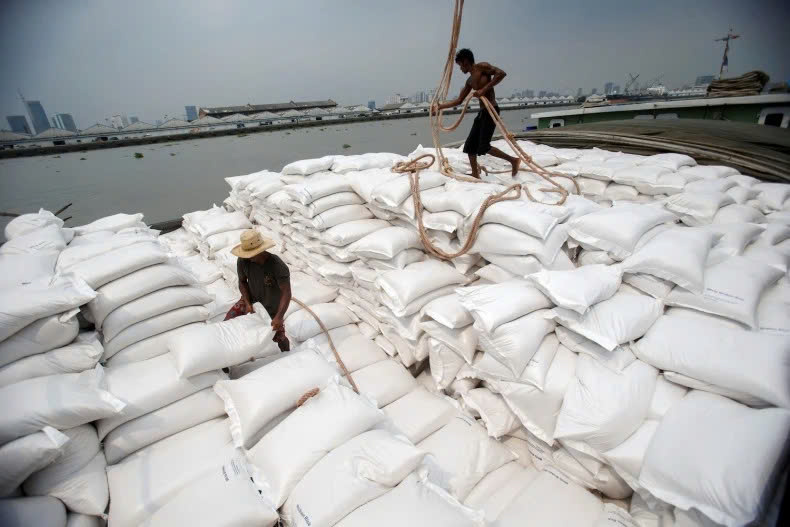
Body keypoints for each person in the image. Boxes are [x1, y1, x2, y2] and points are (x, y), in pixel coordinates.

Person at [433, 48, 520, 179]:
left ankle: (513, 160)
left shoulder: (482, 67)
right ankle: (475, 173)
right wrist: (440, 107)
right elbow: (459, 100)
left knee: (483, 147)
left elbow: (501, 74)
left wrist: (484, 89)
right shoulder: (469, 81)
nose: (460, 69)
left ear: (465, 61)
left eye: (460, 65)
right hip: (482, 112)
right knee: (469, 146)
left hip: (491, 110)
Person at [226, 229, 292, 351]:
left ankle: (287, 354)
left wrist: (279, 316)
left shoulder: (276, 265)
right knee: (229, 321)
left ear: (260, 251)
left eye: (251, 255)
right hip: (251, 299)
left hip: (271, 306)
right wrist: (247, 303)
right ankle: (226, 356)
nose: (248, 258)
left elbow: (286, 293)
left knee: (278, 336)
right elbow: (242, 281)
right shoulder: (243, 260)